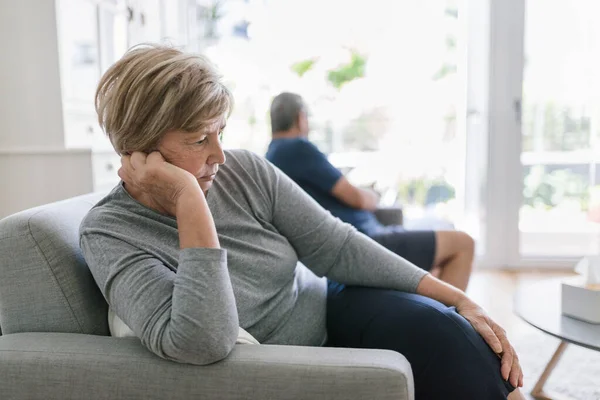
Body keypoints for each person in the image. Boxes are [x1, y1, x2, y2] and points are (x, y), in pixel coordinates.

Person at [80, 45, 524, 400]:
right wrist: (188, 202)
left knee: (450, 331)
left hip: (326, 305)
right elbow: (203, 340)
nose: (219, 155)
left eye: (221, 132)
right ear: (140, 146)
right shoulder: (108, 232)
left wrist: (463, 299)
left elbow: (337, 246)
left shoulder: (245, 169)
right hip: (282, 360)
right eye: (200, 139)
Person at [266, 92, 473, 291]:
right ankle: (451, 324)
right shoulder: (298, 148)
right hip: (364, 242)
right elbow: (356, 198)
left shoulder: (271, 156)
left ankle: (435, 318)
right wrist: (372, 196)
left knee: (437, 269)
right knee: (463, 244)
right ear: (301, 118)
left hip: (355, 241)